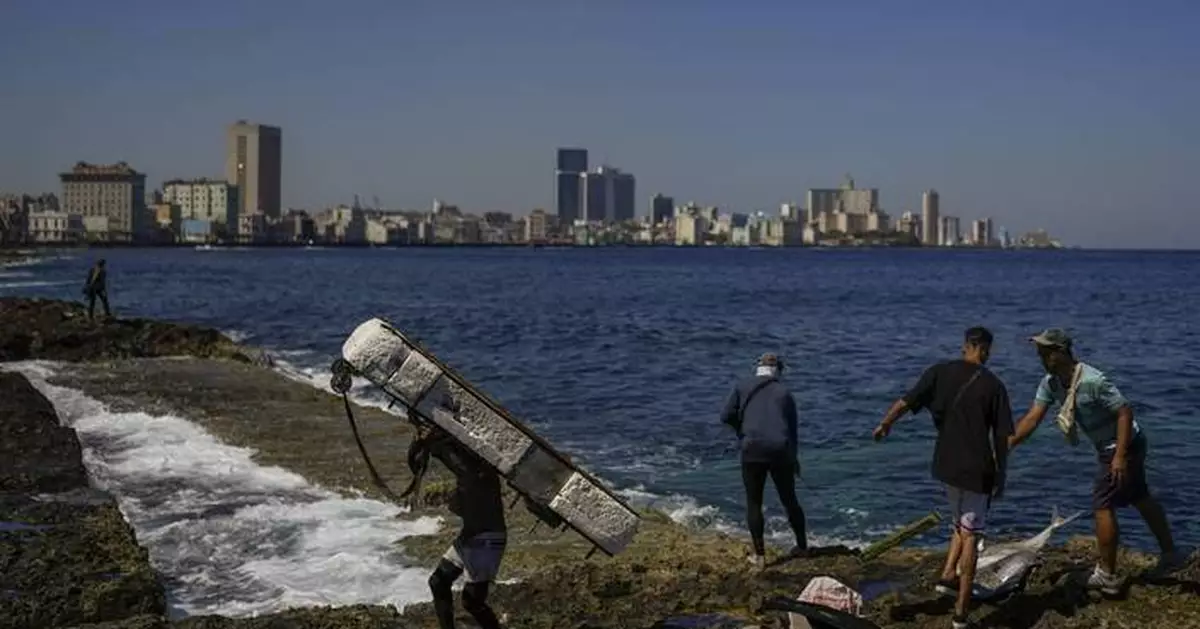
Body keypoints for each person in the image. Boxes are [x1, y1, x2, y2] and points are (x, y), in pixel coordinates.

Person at [1008, 328, 1187, 595]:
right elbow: (1034, 417)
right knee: (1140, 496)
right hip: (1113, 446)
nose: (1040, 356)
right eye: (1039, 351)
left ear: (1060, 352)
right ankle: (1171, 554)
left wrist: (1119, 457)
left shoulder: (1093, 380)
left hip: (1124, 444)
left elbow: (1125, 412)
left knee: (1102, 505)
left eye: (1045, 351)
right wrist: (1007, 444)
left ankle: (1107, 575)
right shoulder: (1051, 383)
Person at [873, 326, 1013, 629]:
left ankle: (948, 576)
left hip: (946, 465)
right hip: (978, 470)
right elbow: (1001, 438)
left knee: (960, 524)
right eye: (988, 350)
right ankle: (962, 610)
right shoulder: (994, 386)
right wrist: (1002, 472)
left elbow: (906, 401)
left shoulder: (939, 372)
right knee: (971, 534)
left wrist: (885, 424)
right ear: (983, 348)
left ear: (965, 346)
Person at [403, 425, 507, 629]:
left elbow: (459, 467)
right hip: (471, 536)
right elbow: (460, 476)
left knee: (472, 601)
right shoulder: (473, 474)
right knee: (438, 583)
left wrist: (432, 445)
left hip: (487, 539)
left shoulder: (481, 474)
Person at [720, 353, 808, 570]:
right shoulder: (784, 392)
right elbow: (792, 431)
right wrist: (794, 459)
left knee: (754, 502)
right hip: (780, 450)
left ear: (758, 367)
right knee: (789, 499)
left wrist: (742, 431)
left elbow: (725, 416)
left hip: (752, 449)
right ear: (779, 370)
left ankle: (760, 557)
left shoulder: (742, 386)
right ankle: (802, 547)